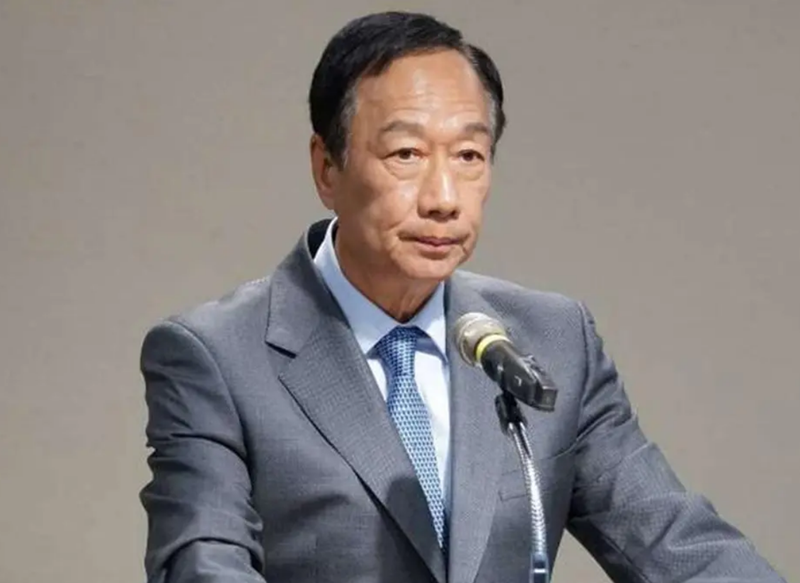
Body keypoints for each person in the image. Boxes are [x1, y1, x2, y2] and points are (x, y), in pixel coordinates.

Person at [139, 11, 785, 583]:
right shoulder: (218, 358)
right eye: (407, 153)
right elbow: (201, 564)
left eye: (470, 156)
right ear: (326, 167)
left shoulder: (553, 340)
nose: (444, 197)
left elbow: (674, 542)